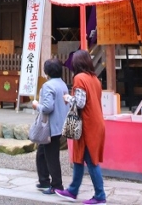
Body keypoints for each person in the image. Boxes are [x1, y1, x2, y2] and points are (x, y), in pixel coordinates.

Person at [55, 50, 106, 204]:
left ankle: (100, 195)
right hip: (96, 123)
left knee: (91, 161)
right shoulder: (95, 79)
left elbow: (80, 103)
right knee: (79, 158)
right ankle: (72, 190)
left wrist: (67, 97)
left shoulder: (79, 79)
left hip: (87, 125)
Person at [32, 58, 69, 195]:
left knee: (51, 156)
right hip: (60, 123)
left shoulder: (48, 86)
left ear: (46, 71)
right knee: (42, 151)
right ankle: (43, 180)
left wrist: (36, 106)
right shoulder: (63, 84)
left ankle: (57, 185)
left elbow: (47, 108)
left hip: (51, 126)